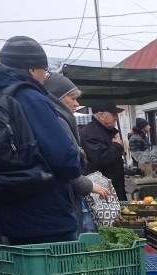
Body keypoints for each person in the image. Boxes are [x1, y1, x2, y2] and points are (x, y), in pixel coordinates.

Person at [0, 36, 82, 245]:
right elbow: (65, 161)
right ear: (31, 70)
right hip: (47, 220)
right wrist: (77, 159)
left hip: (5, 219)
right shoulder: (29, 97)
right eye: (44, 70)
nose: (44, 77)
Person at [43, 73, 110, 233]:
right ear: (57, 98)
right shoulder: (58, 122)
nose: (77, 103)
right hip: (63, 201)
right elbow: (63, 165)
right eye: (72, 98)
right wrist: (88, 185)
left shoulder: (58, 119)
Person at [80, 100, 127, 201]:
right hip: (101, 192)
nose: (116, 118)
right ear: (101, 115)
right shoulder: (90, 133)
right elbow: (101, 158)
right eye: (113, 114)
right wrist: (117, 146)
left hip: (113, 187)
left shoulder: (107, 131)